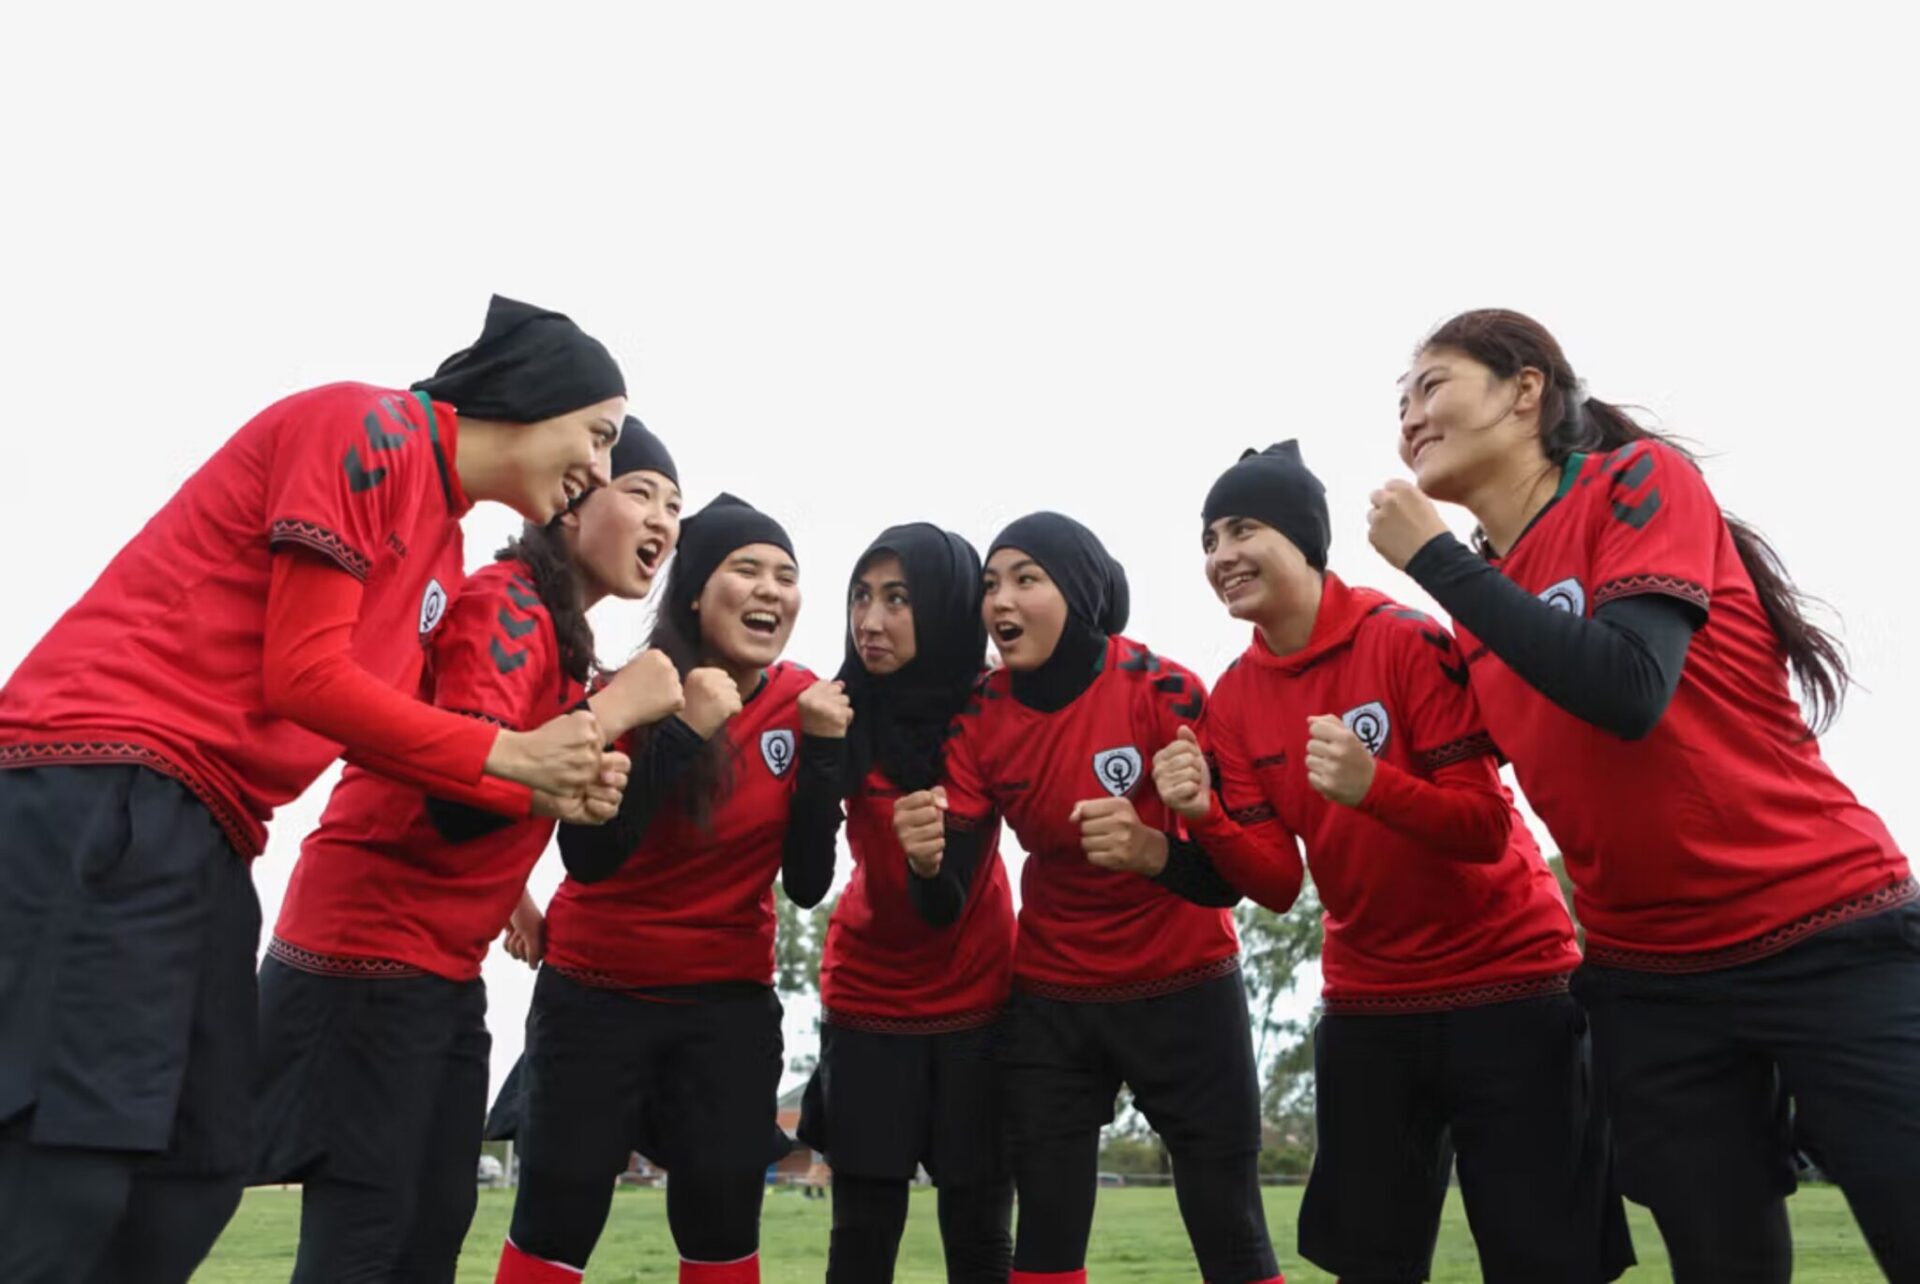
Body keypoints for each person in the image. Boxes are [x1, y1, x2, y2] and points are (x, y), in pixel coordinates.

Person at [0, 293, 630, 1283]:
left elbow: (382, 735)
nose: (600, 469)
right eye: (599, 436)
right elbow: (304, 676)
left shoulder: (440, 552)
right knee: (76, 1159)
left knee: (201, 1162)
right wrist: (513, 760)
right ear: (535, 396)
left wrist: (526, 814)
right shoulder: (367, 424)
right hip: (107, 775)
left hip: (211, 828)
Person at [1368, 307, 1918, 1282]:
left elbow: (1628, 691)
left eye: (1430, 384)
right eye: (1396, 401)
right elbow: (1464, 801)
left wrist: (1435, 563)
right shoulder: (1476, 609)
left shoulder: (1637, 483)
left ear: (1526, 388)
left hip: (1827, 926)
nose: (1407, 415)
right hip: (1652, 981)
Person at [1156, 440, 1629, 1282]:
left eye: (1241, 529)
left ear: (1304, 538)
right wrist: (1203, 818)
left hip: (1512, 989)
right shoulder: (1234, 699)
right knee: (1371, 1264)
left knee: (1547, 1260)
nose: (1221, 556)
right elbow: (1274, 883)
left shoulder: (1404, 638)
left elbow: (1486, 826)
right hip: (1370, 1006)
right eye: (1208, 542)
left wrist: (1373, 786)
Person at [252, 420, 687, 1282]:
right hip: (365, 959)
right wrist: (612, 715)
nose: (664, 523)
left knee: (434, 1224)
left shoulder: (563, 636)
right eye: (640, 492)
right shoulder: (508, 607)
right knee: (368, 1232)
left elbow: (495, 778)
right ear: (571, 504)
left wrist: (519, 883)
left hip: (434, 971)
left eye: (675, 507)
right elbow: (459, 798)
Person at [893, 512, 1281, 1284]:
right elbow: (946, 900)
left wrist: (1154, 852)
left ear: (1076, 588)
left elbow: (1235, 879)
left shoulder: (1162, 688)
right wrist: (925, 862)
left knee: (1229, 1227)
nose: (999, 600)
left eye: (1025, 578)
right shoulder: (980, 714)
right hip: (1054, 1000)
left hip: (1186, 985)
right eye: (991, 584)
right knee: (1044, 1237)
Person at [495, 495, 841, 1284]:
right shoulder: (632, 690)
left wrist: (823, 760)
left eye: (786, 576)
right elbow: (589, 855)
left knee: (719, 1228)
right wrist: (684, 730)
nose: (769, 590)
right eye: (744, 569)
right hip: (595, 994)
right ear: (693, 591)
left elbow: (811, 881)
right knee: (557, 1220)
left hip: (724, 1006)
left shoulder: (804, 703)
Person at [795, 523, 1016, 1283]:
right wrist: (821, 753)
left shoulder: (993, 706)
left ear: (948, 608)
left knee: (981, 1237)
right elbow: (804, 879)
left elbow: (945, 903)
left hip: (979, 995)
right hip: (868, 999)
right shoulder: (838, 708)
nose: (871, 621)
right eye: (861, 596)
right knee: (861, 1240)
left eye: (898, 599)